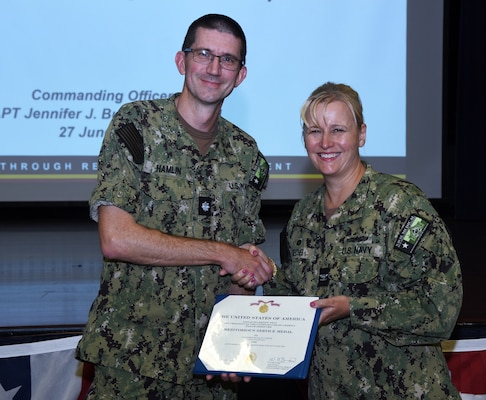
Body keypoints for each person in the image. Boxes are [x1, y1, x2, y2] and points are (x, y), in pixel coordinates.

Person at [76, 14, 275, 399]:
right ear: (182, 62)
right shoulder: (135, 126)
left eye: (227, 60)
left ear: (241, 75)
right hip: (133, 363)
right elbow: (116, 239)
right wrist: (223, 253)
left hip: (209, 369)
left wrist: (234, 344)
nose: (214, 68)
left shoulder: (247, 154)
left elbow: (240, 274)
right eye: (203, 54)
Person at [264, 82, 463, 399]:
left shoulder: (402, 206)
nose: (325, 142)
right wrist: (266, 277)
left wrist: (354, 307)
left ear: (362, 134)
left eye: (338, 129)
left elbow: (440, 309)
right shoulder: (301, 218)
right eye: (314, 130)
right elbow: (295, 304)